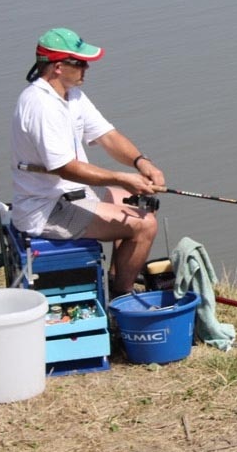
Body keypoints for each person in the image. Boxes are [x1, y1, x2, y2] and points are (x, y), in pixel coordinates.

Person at [11, 27, 165, 296]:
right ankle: (123, 299)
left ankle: (116, 278)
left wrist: (141, 163)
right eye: (80, 62)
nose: (86, 68)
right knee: (145, 224)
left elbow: (108, 136)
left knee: (136, 201)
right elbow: (65, 168)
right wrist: (120, 177)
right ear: (58, 67)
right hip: (46, 208)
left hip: (72, 194)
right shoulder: (40, 105)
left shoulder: (72, 95)